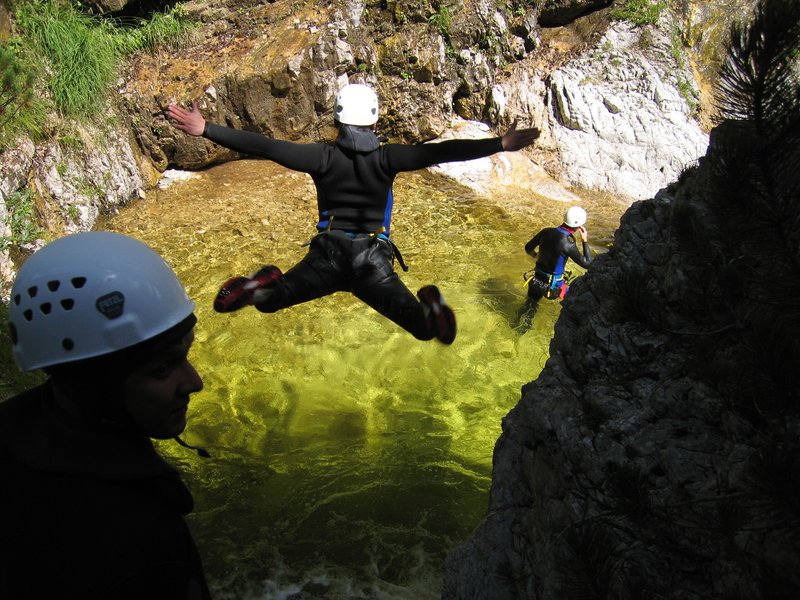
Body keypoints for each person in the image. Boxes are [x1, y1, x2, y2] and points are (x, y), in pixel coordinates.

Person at [167, 83, 540, 345]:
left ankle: (261, 285)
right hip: (371, 262)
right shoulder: (389, 157)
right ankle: (430, 308)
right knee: (425, 331)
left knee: (268, 304)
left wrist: (206, 129)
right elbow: (440, 152)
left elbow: (265, 146)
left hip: (327, 256)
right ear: (375, 120)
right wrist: (499, 144)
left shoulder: (321, 157)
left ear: (337, 119)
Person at [0, 232, 212, 599]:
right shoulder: (138, 546)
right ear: (96, 386)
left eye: (186, 354)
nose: (195, 382)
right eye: (163, 369)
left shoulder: (11, 429)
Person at [516, 206, 593, 329]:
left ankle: (518, 327)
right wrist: (585, 241)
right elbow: (588, 264)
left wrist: (536, 256)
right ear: (578, 226)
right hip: (553, 288)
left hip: (535, 281)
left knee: (530, 306)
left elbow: (528, 248)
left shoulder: (545, 232)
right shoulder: (568, 243)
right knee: (576, 297)